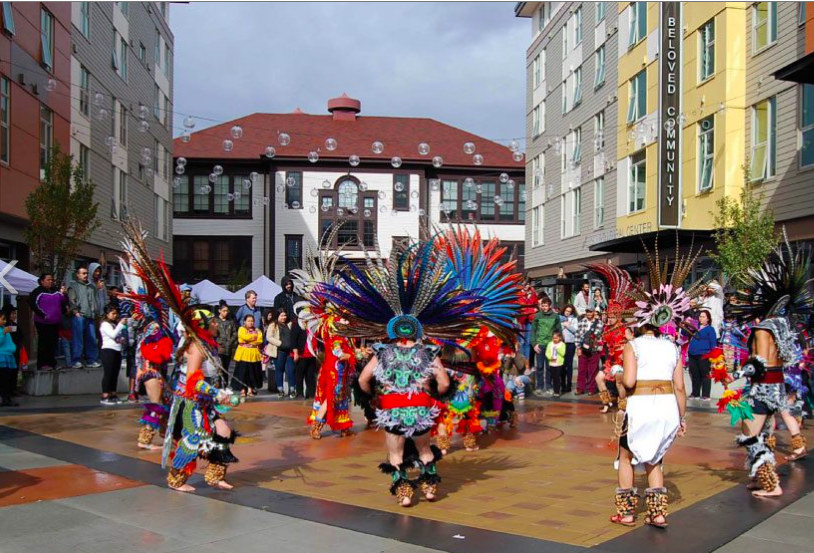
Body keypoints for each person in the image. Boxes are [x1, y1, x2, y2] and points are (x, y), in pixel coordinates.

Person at [725, 235, 811, 497]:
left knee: (749, 432)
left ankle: (770, 482)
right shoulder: (783, 327)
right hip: (776, 388)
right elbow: (784, 359)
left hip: (762, 389)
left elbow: (759, 363)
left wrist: (736, 376)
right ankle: (757, 476)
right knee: (762, 431)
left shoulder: (763, 329)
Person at [164, 312, 240, 493]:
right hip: (190, 402)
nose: (216, 324)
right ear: (203, 326)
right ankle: (176, 478)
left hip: (204, 401)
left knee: (224, 431)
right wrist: (217, 393)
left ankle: (215, 475)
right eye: (213, 322)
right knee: (194, 439)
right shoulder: (197, 347)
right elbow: (192, 380)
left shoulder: (207, 345)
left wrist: (220, 394)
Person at [308, 332, 355, 438]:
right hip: (335, 372)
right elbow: (339, 354)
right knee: (330, 398)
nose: (347, 322)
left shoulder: (345, 336)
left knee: (342, 398)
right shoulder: (336, 338)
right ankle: (316, 427)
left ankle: (344, 428)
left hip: (340, 372)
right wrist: (356, 354)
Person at [30, 272, 66, 371]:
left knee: (53, 343)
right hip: (43, 322)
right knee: (44, 343)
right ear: (42, 281)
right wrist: (43, 315)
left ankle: (52, 363)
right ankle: (42, 364)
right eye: (48, 280)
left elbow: (63, 302)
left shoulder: (56, 291)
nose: (50, 281)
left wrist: (64, 294)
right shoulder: (37, 291)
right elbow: (33, 304)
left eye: (51, 280)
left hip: (55, 322)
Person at [67, 266, 101, 368]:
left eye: (86, 273)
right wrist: (75, 312)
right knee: (78, 339)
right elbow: (71, 300)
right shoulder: (73, 286)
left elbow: (95, 300)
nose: (85, 275)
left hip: (91, 316)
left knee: (91, 339)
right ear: (77, 275)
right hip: (80, 315)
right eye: (83, 273)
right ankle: (75, 360)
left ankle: (92, 360)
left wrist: (96, 312)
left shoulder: (92, 286)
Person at [531, 297, 561, 396]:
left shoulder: (555, 316)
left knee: (549, 368)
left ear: (550, 306)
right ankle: (539, 387)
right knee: (539, 367)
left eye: (546, 306)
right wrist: (534, 344)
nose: (544, 308)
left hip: (551, 345)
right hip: (540, 345)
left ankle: (549, 387)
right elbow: (533, 331)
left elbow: (558, 330)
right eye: (543, 306)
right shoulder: (537, 316)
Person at [99, 304, 127, 405]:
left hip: (117, 350)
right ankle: (105, 395)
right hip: (108, 350)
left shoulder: (114, 324)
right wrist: (120, 324)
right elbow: (112, 334)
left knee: (115, 373)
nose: (115, 315)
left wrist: (121, 339)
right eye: (113, 313)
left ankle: (113, 394)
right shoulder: (105, 324)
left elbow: (116, 336)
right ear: (107, 314)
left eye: (116, 313)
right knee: (108, 373)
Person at [687, 310, 717, 401]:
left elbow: (713, 343)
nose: (701, 318)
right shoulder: (695, 327)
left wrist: (714, 357)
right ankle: (695, 393)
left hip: (704, 354)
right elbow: (685, 333)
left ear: (708, 319)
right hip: (692, 354)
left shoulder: (710, 329)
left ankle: (705, 394)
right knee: (695, 374)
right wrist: (686, 324)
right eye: (700, 316)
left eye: (703, 316)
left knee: (705, 375)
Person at [267, 309, 295, 398]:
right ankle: (280, 390)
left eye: (285, 315)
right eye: (281, 316)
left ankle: (292, 390)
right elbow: (269, 337)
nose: (283, 317)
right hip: (279, 351)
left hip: (289, 351)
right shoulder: (273, 325)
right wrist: (280, 343)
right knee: (279, 371)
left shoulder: (289, 324)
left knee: (290, 371)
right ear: (277, 316)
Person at [575, 306, 604, 395]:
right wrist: (578, 348)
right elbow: (577, 335)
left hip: (594, 349)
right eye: (587, 311)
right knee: (581, 369)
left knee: (593, 370)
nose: (588, 313)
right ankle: (580, 388)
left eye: (590, 312)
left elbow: (599, 336)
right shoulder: (581, 322)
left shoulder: (599, 323)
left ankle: (591, 389)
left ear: (594, 312)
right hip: (583, 349)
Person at [233, 314, 262, 397]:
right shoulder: (241, 329)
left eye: (252, 321)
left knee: (252, 373)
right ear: (244, 322)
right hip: (243, 354)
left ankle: (250, 389)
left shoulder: (257, 330)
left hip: (253, 354)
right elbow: (242, 337)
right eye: (249, 321)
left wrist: (249, 339)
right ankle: (242, 390)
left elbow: (259, 340)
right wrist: (253, 337)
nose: (251, 323)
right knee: (242, 372)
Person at [291, 315, 316, 398]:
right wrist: (295, 353)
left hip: (311, 354)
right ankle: (300, 393)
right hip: (301, 354)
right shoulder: (297, 325)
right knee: (300, 375)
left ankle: (312, 394)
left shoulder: (312, 326)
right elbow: (293, 340)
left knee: (310, 375)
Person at [214, 304, 237, 387]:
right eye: (224, 311)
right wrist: (218, 342)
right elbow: (212, 333)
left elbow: (235, 332)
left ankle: (226, 385)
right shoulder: (215, 321)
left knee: (226, 368)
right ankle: (219, 385)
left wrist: (230, 341)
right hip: (219, 347)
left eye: (227, 311)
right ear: (219, 311)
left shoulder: (230, 321)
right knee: (220, 367)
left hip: (228, 348)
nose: (226, 312)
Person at [0, 311, 18, 407]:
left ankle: (7, 398)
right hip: (2, 357)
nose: (4, 321)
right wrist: (3, 333)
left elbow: (9, 341)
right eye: (3, 319)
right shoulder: (3, 330)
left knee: (8, 379)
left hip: (8, 356)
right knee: (3, 379)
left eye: (5, 319)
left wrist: (13, 348)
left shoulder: (4, 329)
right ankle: (5, 398)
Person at [517, 283, 538, 366]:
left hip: (530, 319)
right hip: (521, 319)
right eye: (524, 284)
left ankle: (527, 362)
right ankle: (521, 362)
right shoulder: (518, 294)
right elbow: (519, 305)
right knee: (521, 342)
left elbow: (536, 303)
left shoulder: (532, 293)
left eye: (528, 284)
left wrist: (534, 309)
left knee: (528, 342)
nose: (526, 286)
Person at [559, 304, 578, 393]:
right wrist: (564, 325)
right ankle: (562, 384)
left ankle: (569, 385)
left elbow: (575, 330)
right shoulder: (559, 318)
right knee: (562, 365)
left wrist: (568, 326)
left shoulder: (574, 319)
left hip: (571, 344)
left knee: (569, 365)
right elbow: (558, 328)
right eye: (566, 311)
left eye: (569, 311)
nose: (567, 313)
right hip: (561, 344)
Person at [545, 332, 566, 398]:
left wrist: (557, 348)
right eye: (553, 338)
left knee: (557, 378)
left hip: (559, 364)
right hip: (552, 363)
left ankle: (557, 391)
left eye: (556, 338)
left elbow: (563, 353)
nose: (555, 339)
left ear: (560, 338)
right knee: (554, 378)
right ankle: (555, 390)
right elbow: (547, 352)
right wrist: (550, 358)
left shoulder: (562, 344)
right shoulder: (550, 344)